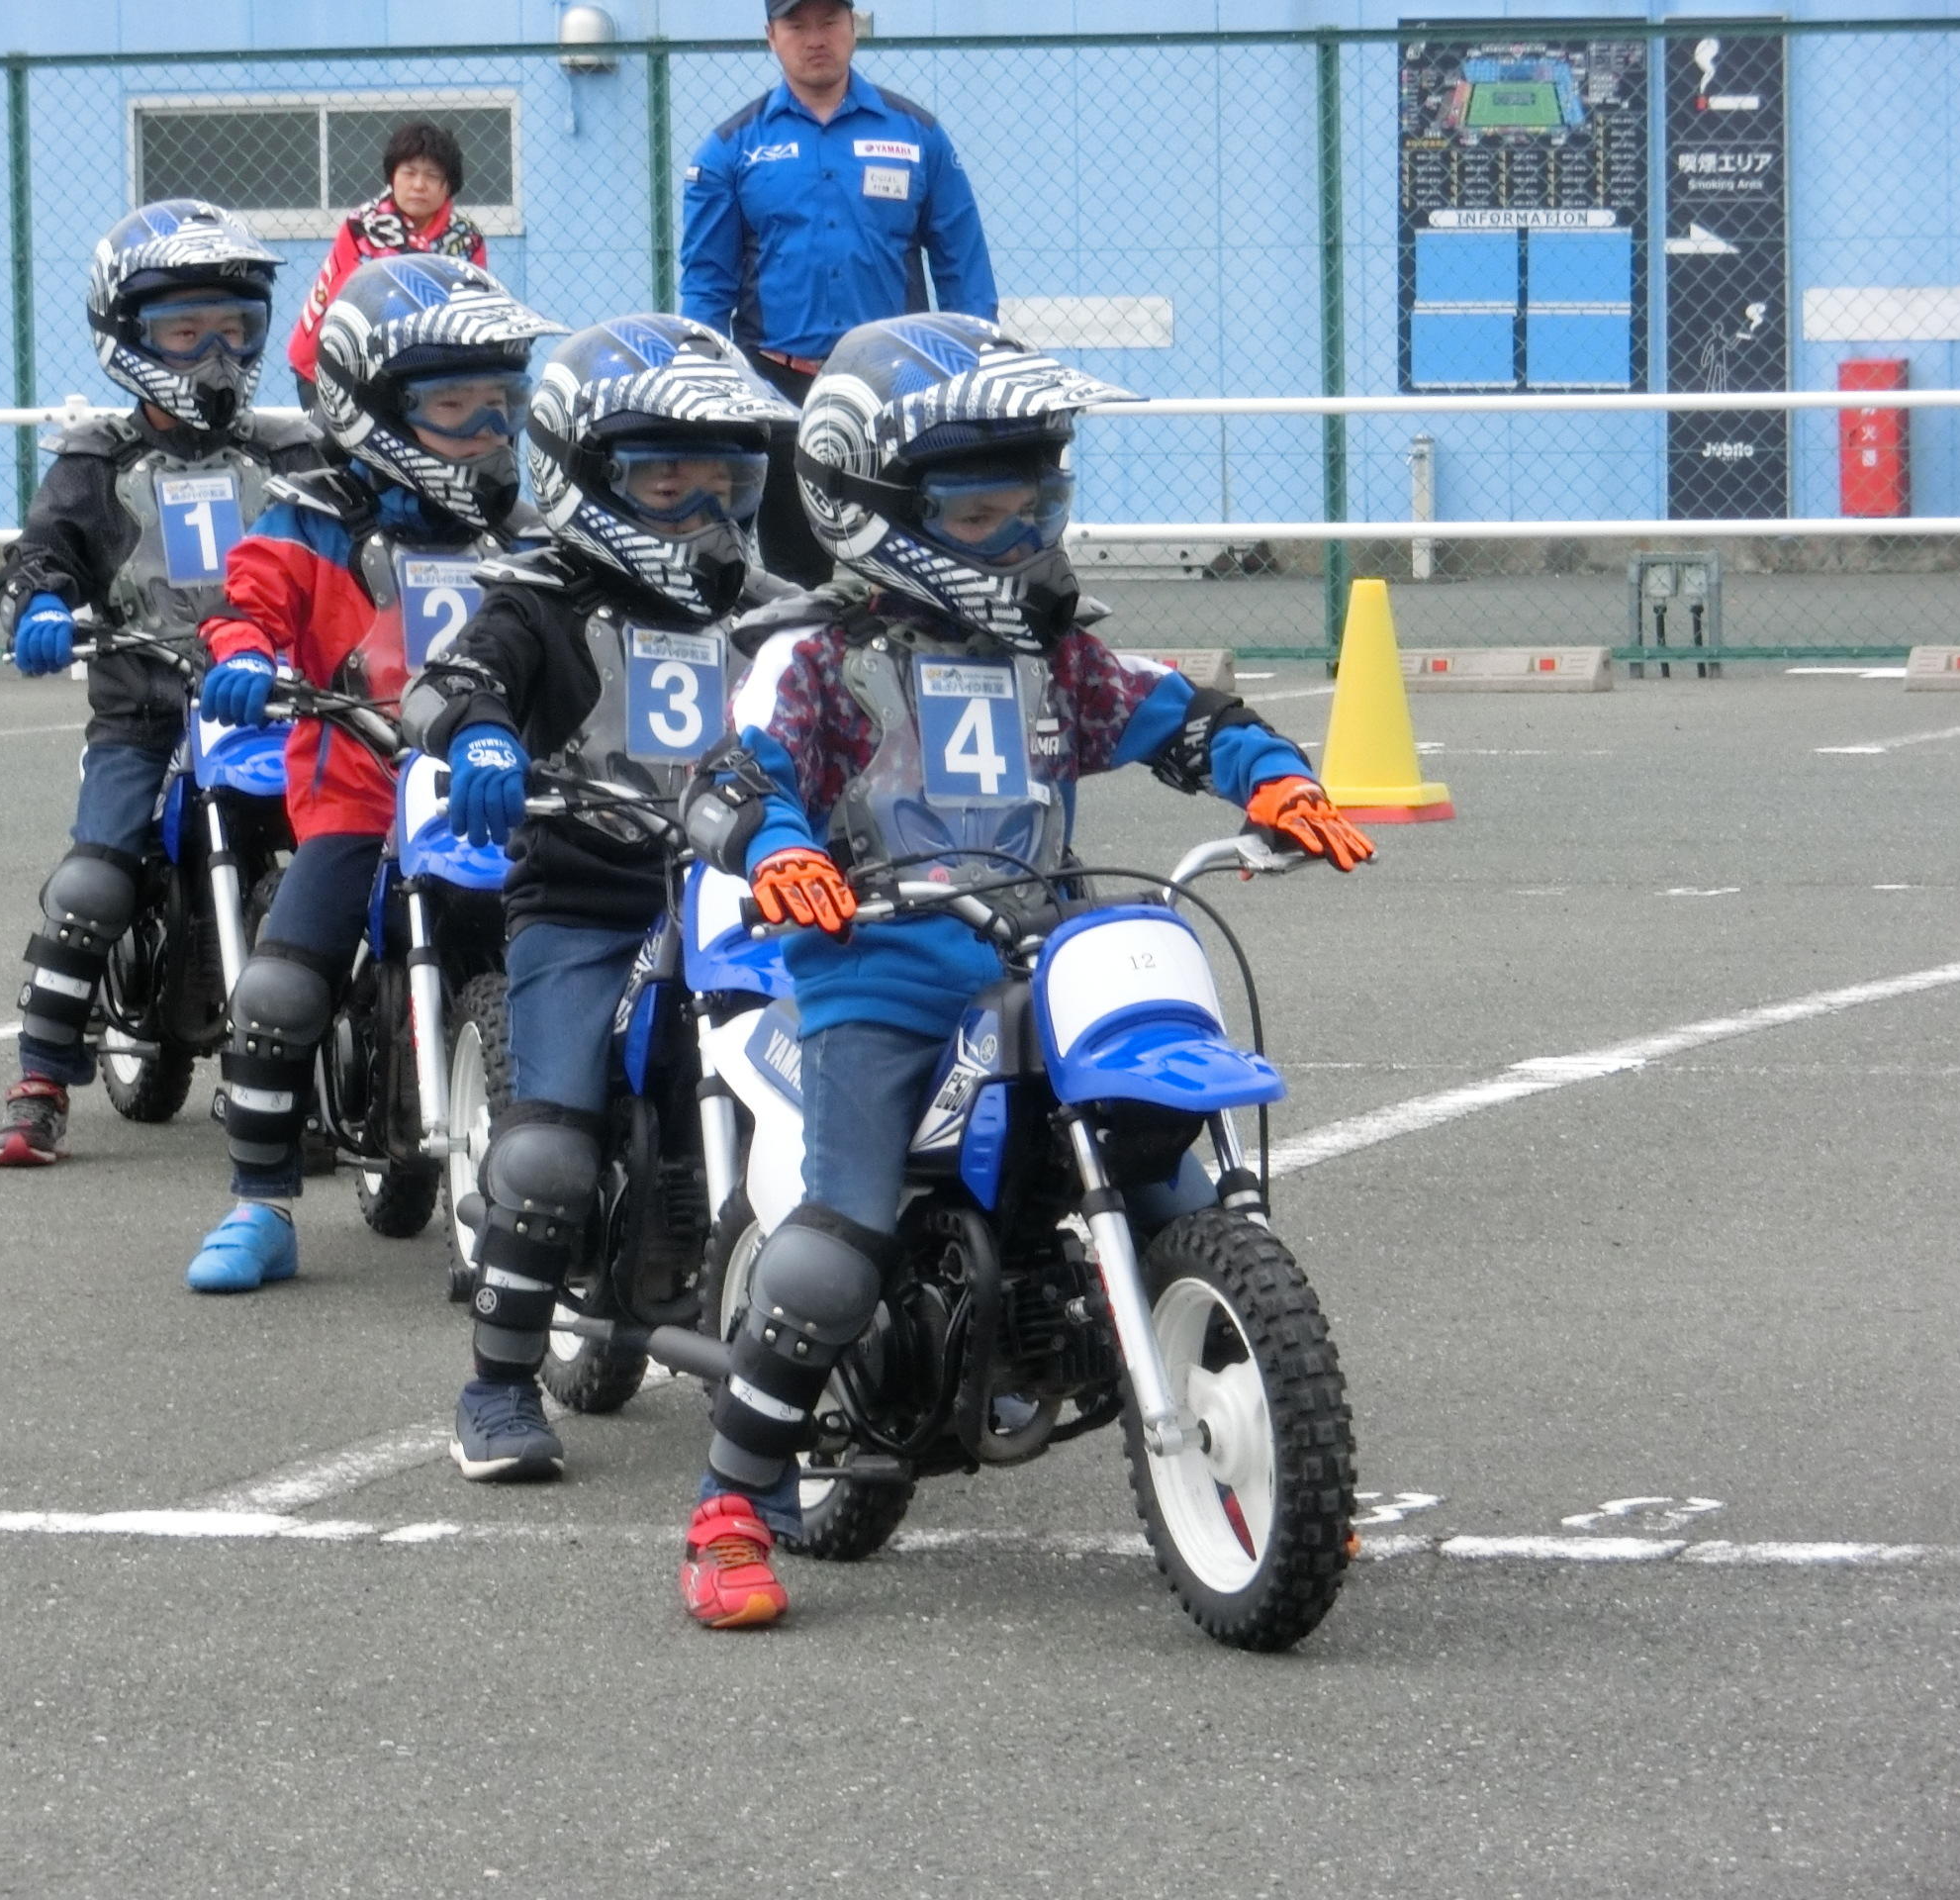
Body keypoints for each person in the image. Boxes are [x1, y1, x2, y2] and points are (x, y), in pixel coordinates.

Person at [670, 314, 1377, 1628]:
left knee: (1179, 1178)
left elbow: (1183, 715)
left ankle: (1274, 1461)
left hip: (1040, 958)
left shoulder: (1057, 661)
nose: (1024, 532)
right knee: (835, 1249)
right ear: (874, 506)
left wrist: (1272, 776)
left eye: (1036, 497)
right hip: (875, 971)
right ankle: (730, 1498)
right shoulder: (822, 662)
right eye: (985, 504)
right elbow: (743, 775)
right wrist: (781, 853)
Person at [398, 314, 800, 1478]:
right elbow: (454, 682)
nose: (704, 507)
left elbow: (853, 720)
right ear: (584, 478)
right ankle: (497, 1385)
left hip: (744, 897)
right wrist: (476, 739)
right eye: (664, 477)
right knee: (551, 1151)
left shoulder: (774, 613)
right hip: (588, 899)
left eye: (727, 478)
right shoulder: (539, 598)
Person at [180, 255, 563, 1291]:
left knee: (576, 971)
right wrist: (246, 658)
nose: (488, 429)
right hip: (358, 788)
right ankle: (259, 1202)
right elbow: (245, 601)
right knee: (279, 984)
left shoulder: (527, 538)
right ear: (374, 410)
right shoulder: (312, 519)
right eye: (454, 405)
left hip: (493, 791)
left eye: (503, 404)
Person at [0, 199, 325, 1169]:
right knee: (95, 880)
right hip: (145, 707)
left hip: (276, 704)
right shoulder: (98, 459)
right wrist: (43, 607)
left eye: (236, 331)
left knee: (346, 862)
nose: (214, 356)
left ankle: (348, 1059)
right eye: (185, 332)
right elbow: (43, 550)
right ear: (125, 335)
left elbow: (352, 553)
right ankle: (40, 1076)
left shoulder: (292, 452)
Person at [679, 0, 997, 585]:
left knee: (906, 569)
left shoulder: (917, 135)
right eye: (796, 24)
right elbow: (705, 286)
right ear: (770, 36)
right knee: (796, 577)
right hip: (779, 395)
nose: (814, 38)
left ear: (854, 26)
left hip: (895, 393)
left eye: (828, 20)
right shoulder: (731, 147)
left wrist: (970, 377)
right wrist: (708, 394)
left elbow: (963, 266)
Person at [285, 121, 489, 408]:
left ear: (448, 186)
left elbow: (474, 310)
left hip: (418, 372)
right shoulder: (363, 227)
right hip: (330, 361)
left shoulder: (467, 238)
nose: (419, 185)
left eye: (432, 175)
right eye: (409, 173)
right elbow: (348, 305)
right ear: (392, 176)